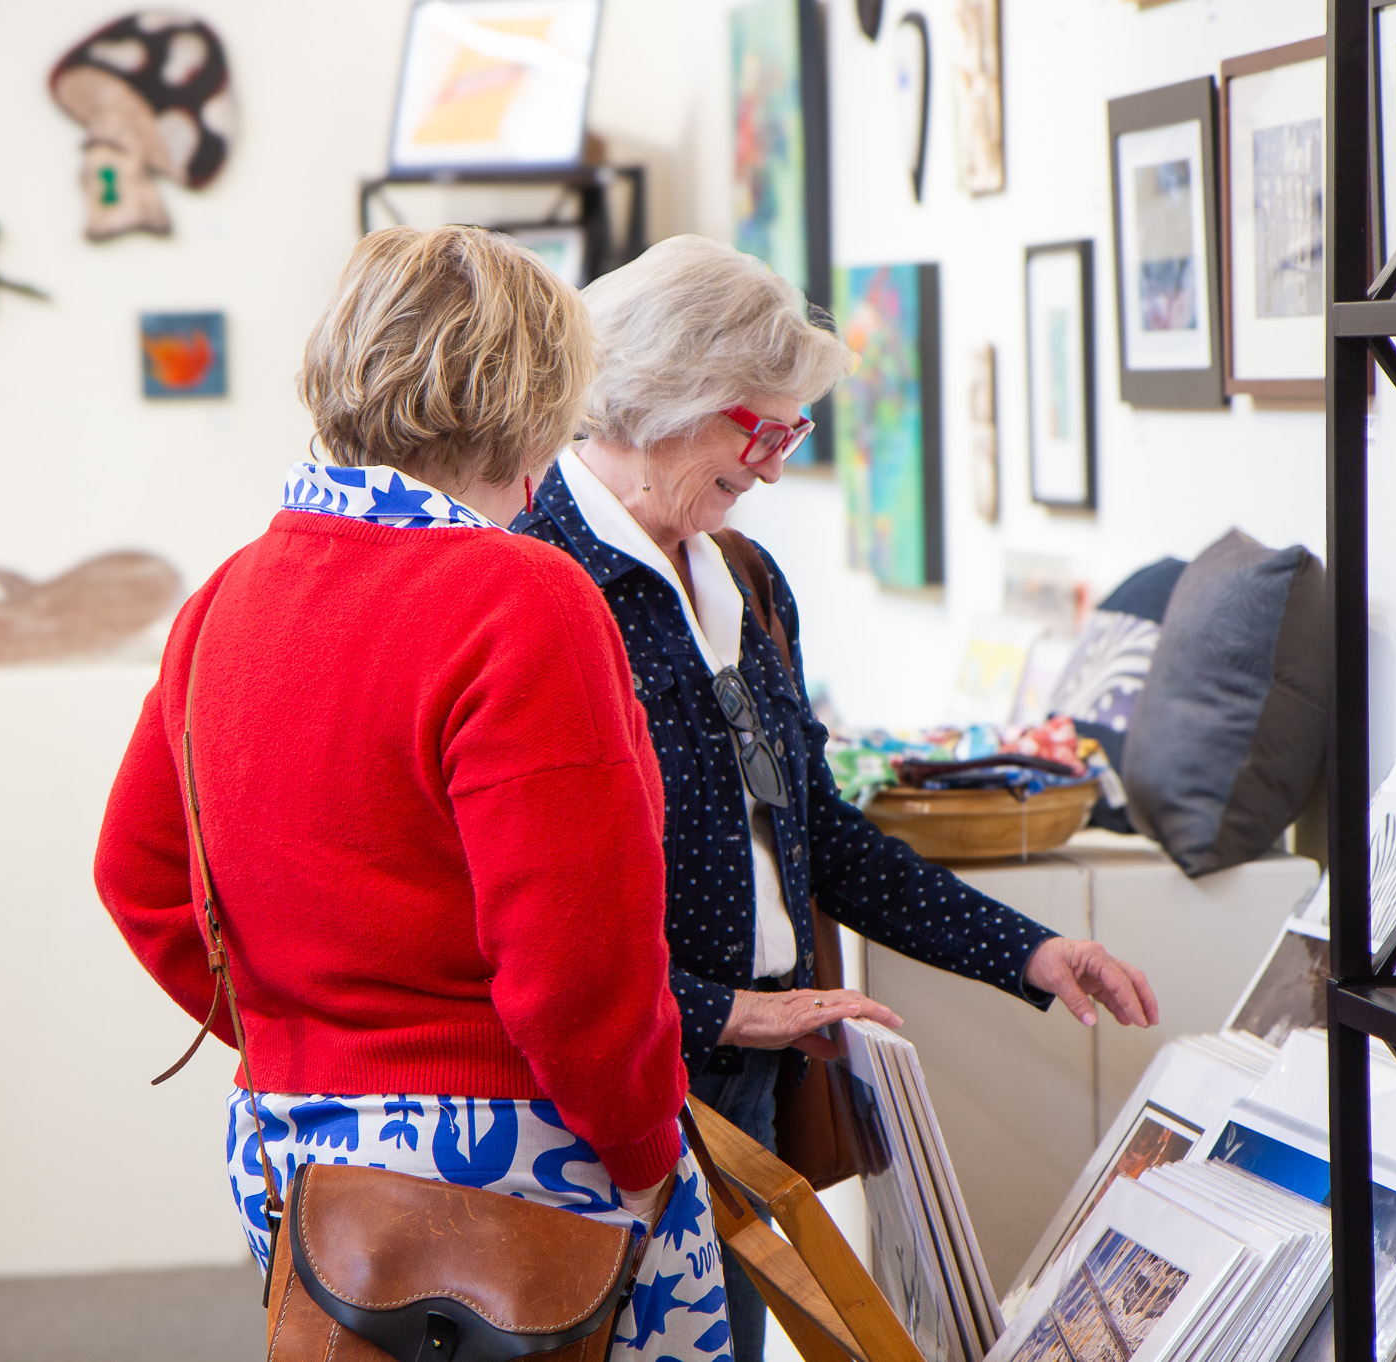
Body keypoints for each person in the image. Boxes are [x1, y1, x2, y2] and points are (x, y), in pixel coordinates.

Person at [514, 234, 1159, 1362]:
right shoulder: (535, 584)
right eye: (758, 430)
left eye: (790, 434)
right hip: (608, 1086)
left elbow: (815, 831)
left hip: (751, 1080)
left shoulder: (742, 578)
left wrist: (1025, 951)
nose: (770, 468)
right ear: (664, 396)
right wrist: (723, 1010)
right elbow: (515, 908)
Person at [94, 225, 729, 1359]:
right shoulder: (520, 596)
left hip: (298, 1154)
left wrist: (301, 1039)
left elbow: (137, 875)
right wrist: (642, 1148)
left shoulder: (227, 597)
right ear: (532, 405)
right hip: (517, 1161)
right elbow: (577, 962)